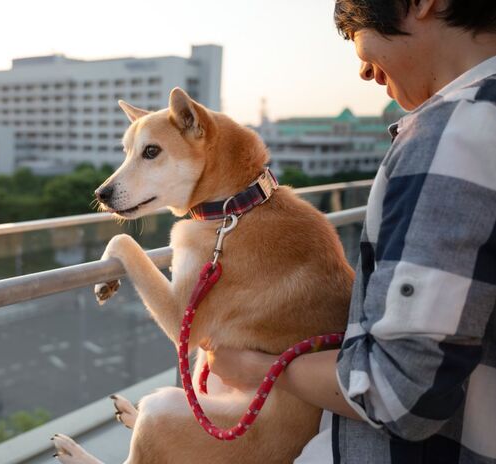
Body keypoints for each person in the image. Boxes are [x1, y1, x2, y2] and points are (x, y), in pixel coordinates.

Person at [206, 0, 496, 462]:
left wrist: (262, 369)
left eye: (355, 30)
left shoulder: (453, 133)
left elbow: (401, 393)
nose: (362, 69)